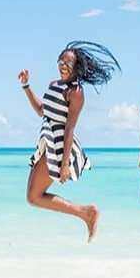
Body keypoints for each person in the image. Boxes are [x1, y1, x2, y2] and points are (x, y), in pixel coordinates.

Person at [18, 40, 120, 242]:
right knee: (32, 197)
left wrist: (64, 164)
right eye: (61, 61)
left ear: (77, 67)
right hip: (47, 141)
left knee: (34, 196)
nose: (63, 65)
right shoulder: (53, 85)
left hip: (59, 145)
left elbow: (69, 128)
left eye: (69, 63)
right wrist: (26, 86)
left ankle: (86, 213)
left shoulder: (76, 92)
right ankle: (85, 212)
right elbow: (42, 111)